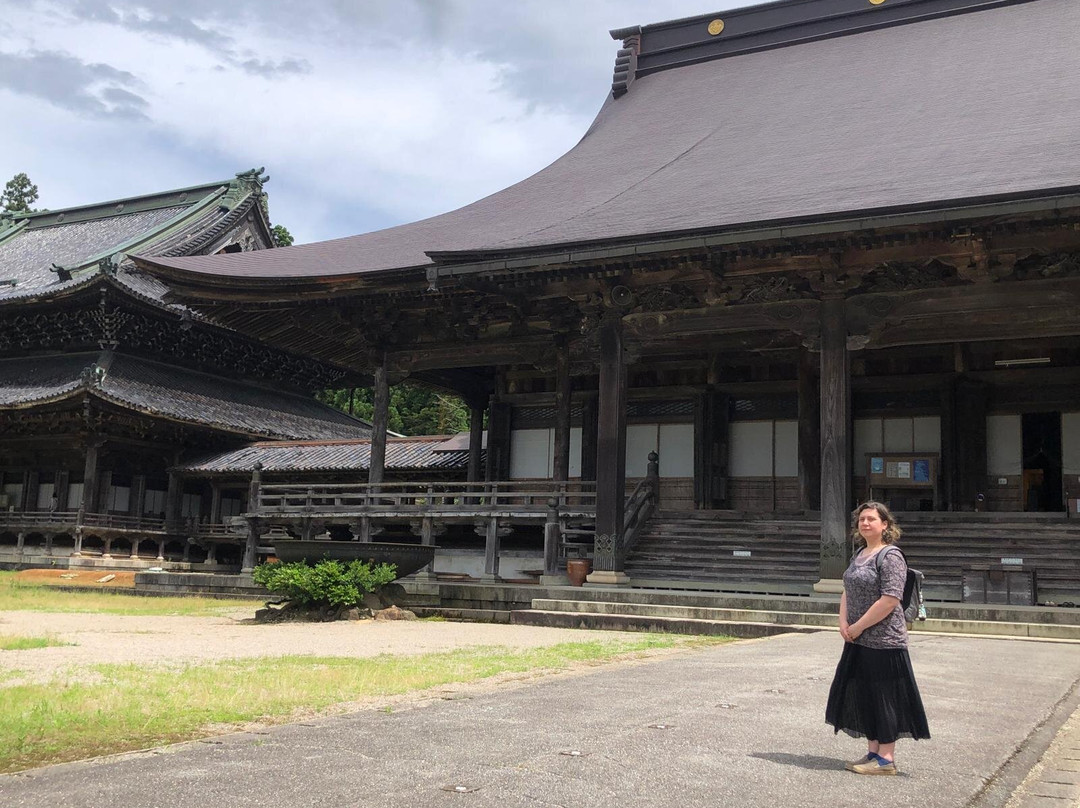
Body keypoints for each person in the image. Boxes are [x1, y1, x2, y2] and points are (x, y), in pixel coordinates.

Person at [825, 501, 930, 775]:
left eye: (871, 519)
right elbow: (847, 589)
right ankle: (873, 751)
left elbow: (890, 599)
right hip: (857, 638)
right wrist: (844, 622)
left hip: (884, 641)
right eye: (862, 519)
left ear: (885, 525)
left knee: (885, 696)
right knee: (865, 694)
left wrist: (858, 626)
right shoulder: (859, 554)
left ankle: (886, 758)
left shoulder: (891, 556)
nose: (865, 523)